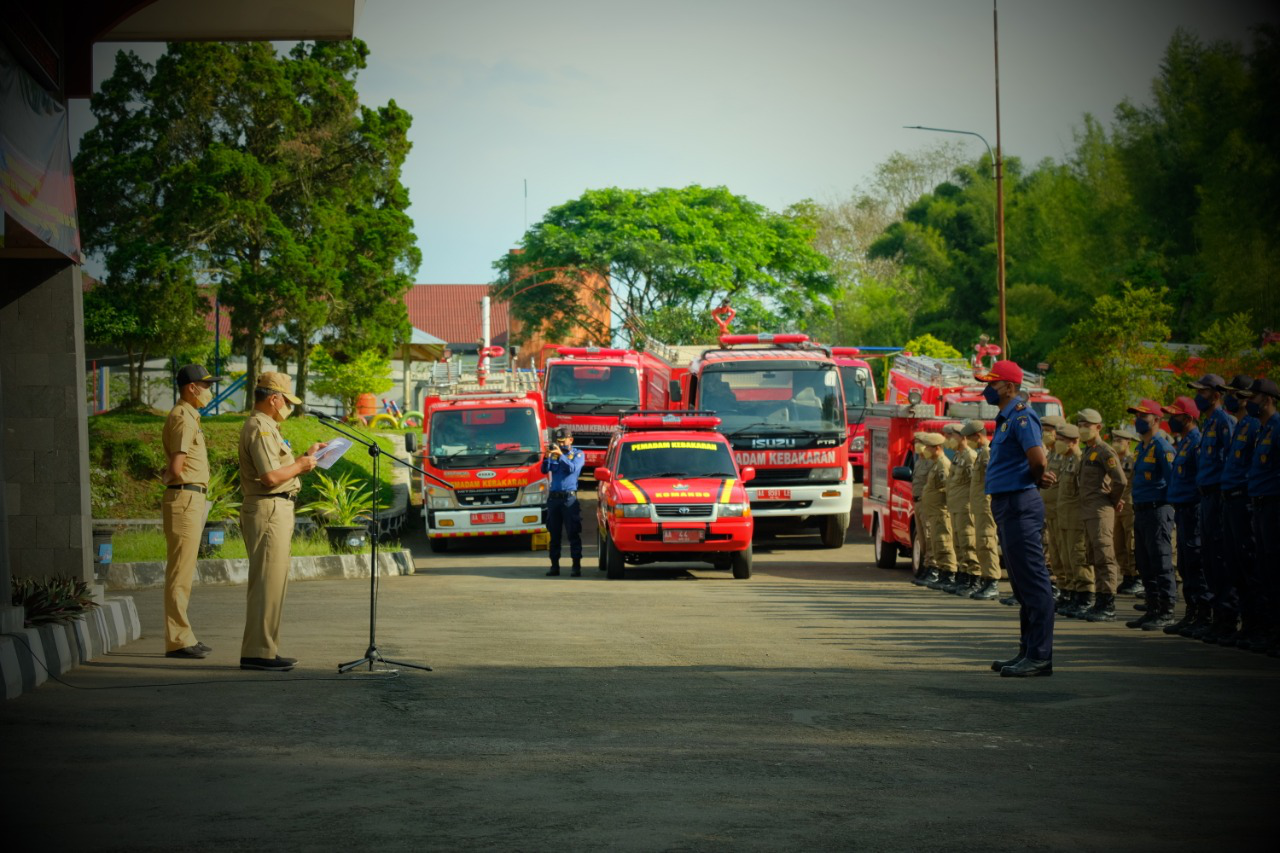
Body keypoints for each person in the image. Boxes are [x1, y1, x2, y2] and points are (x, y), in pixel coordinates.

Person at [238, 372, 327, 672]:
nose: (288, 406)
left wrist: (305, 457)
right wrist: (300, 465)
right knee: (266, 583)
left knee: (274, 583)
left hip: (276, 508)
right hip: (268, 509)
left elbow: (277, 468)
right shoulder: (260, 427)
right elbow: (270, 477)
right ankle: (257, 653)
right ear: (274, 399)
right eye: (286, 401)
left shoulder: (268, 427)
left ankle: (265, 649)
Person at [977, 360, 1057, 677]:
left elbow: (1038, 459)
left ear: (1009, 387)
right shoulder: (1008, 418)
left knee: (1034, 584)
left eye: (992, 383)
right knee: (1022, 585)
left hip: (1020, 503)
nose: (987, 388)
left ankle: (1040, 655)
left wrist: (1037, 479)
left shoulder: (1022, 417)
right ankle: (1027, 651)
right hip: (1009, 504)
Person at [161, 363, 223, 659]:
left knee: (184, 572)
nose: (209, 391)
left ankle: (184, 634)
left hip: (190, 498)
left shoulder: (189, 416)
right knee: (179, 573)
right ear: (191, 388)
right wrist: (168, 477)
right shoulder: (183, 418)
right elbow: (176, 468)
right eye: (206, 386)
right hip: (185, 498)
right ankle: (178, 640)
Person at [1216, 375, 1264, 649]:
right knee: (1233, 564)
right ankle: (1246, 624)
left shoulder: (1256, 426)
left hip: (1247, 501)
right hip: (1231, 500)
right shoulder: (1242, 425)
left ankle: (1257, 625)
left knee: (1250, 565)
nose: (1231, 398)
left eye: (1236, 394)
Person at [1190, 373, 1238, 643]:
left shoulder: (1224, 422)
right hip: (1205, 497)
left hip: (1219, 497)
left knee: (1220, 559)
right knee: (1208, 559)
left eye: (1203, 391)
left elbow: (1230, 462)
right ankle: (1217, 618)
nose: (1199, 396)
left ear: (1217, 394)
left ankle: (1228, 619)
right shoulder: (1209, 423)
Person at [1124, 401, 1176, 630]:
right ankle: (1152, 607)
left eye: (1142, 416)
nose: (1137, 420)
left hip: (1158, 510)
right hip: (1142, 510)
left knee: (1160, 561)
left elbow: (1173, 481)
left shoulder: (1163, 447)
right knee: (1144, 562)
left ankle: (1166, 610)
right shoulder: (1141, 447)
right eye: (1136, 416)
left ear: (1156, 420)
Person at [1238, 377, 1280, 656]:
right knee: (1265, 571)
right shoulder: (1264, 429)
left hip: (1274, 506)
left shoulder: (1277, 428)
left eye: (1252, 398)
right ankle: (1269, 631)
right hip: (1260, 505)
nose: (1247, 402)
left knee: (1275, 571)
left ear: (1266, 399)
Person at [1162, 396, 1209, 638]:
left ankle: (1203, 614)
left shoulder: (1197, 442)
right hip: (1182, 509)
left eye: (1176, 415)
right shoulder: (1184, 443)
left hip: (1193, 509)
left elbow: (1200, 479)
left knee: (1195, 562)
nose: (1171, 419)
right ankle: (1191, 613)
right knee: (1185, 563)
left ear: (1189, 418)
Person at [1075, 408, 1127, 623]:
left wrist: (1113, 500)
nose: (1082, 428)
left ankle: (1108, 604)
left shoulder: (1105, 451)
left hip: (1100, 510)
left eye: (1087, 425)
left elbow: (1120, 481)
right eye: (1080, 425)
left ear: (1098, 427)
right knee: (1094, 556)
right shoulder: (1089, 450)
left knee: (1105, 557)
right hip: (1089, 510)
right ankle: (1100, 601)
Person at [1054, 424, 1090, 618]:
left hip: (1076, 518)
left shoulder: (1080, 460)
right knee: (1067, 557)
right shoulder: (1066, 460)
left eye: (1062, 440)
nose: (1058, 443)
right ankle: (1072, 593)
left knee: (1079, 557)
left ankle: (1084, 597)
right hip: (1064, 517)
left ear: (1074, 441)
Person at [963, 419, 1002, 601]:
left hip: (986, 506)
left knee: (987, 543)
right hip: (979, 506)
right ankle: (987, 580)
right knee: (981, 544)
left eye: (969, 437)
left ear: (977, 435)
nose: (967, 441)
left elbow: (991, 479)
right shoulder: (981, 453)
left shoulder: (986, 452)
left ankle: (992, 582)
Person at [542, 426, 586, 576]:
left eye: (563, 441)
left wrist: (561, 455)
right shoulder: (555, 454)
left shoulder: (578, 454)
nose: (560, 444)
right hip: (554, 499)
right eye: (558, 441)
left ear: (570, 440)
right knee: (554, 534)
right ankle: (554, 566)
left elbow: (573, 469)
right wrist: (547, 456)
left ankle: (576, 566)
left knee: (573, 532)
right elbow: (544, 469)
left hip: (569, 499)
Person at [943, 422, 979, 596]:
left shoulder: (970, 457)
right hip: (956, 506)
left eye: (952, 436)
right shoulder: (958, 456)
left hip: (965, 507)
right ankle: (963, 576)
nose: (949, 440)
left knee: (968, 542)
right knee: (958, 543)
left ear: (962, 437)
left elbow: (974, 484)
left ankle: (974, 578)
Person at [919, 433, 957, 591]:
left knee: (944, 543)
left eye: (928, 447)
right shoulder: (935, 464)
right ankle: (942, 573)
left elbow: (948, 489)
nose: (925, 449)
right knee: (936, 544)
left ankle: (949, 574)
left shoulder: (943, 465)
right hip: (934, 512)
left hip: (941, 512)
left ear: (937, 448)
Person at [1110, 427, 1142, 599]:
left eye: (1119, 441)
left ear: (1128, 443)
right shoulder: (1113, 460)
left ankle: (1136, 576)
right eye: (1114, 440)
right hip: (1116, 507)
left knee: (1131, 542)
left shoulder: (1133, 459)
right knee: (1118, 542)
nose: (1116, 444)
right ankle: (1126, 575)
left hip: (1130, 505)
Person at [910, 434, 938, 586]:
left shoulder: (931, 463)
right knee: (922, 537)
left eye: (919, 443)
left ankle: (933, 568)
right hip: (918, 503)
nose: (917, 446)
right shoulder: (919, 461)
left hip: (927, 503)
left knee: (929, 536)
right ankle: (927, 566)